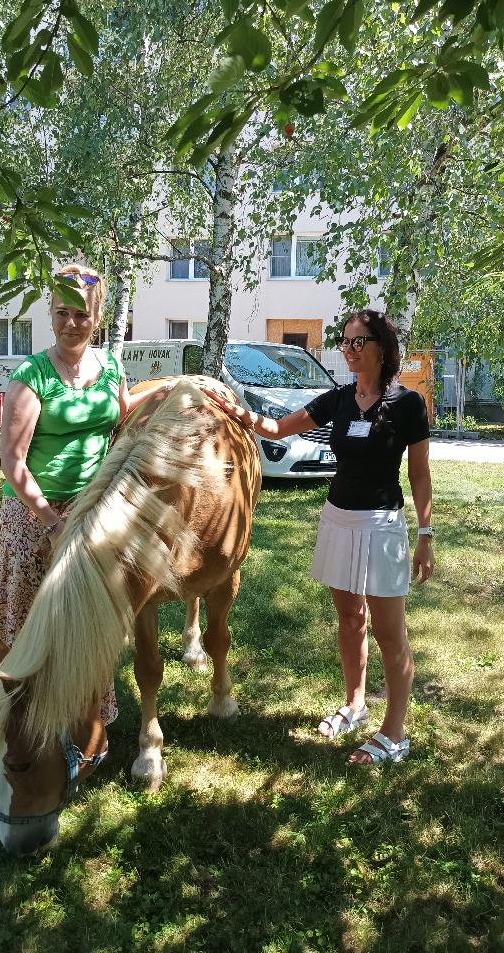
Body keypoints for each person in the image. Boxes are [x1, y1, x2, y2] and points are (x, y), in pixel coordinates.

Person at [206, 309, 434, 765]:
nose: (348, 350)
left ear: (382, 348)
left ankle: (394, 732)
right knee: (349, 619)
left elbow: (419, 474)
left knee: (390, 634)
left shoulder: (408, 404)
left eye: (358, 341)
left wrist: (425, 534)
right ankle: (355, 704)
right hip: (337, 521)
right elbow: (277, 428)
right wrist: (237, 411)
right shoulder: (338, 399)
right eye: (344, 342)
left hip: (381, 526)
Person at [0, 263, 169, 737]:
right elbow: (12, 463)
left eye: (81, 314)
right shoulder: (32, 374)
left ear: (97, 318)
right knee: (25, 617)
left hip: (92, 513)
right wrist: (50, 520)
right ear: (50, 315)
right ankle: (12, 718)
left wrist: (162, 391)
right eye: (62, 313)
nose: (71, 323)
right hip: (32, 516)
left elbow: (118, 414)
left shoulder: (110, 367)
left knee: (85, 618)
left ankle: (84, 720)